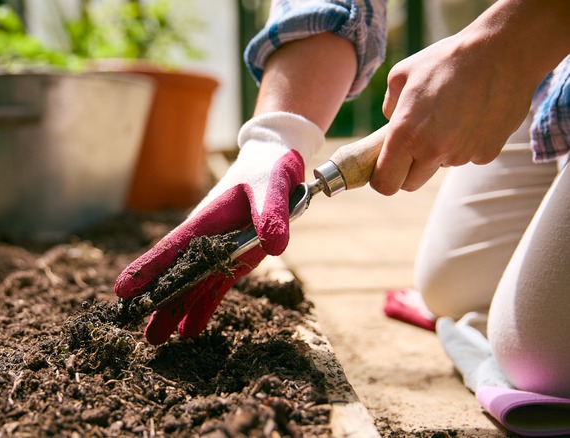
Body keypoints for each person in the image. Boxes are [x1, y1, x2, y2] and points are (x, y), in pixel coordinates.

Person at [115, 0, 570, 401]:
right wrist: (275, 139)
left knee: (538, 356)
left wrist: (509, 45)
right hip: (552, 76)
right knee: (452, 285)